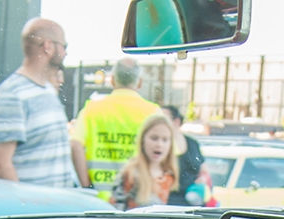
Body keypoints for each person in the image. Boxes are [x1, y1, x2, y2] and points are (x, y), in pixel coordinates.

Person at [0, 18, 78, 187]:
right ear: (48, 46)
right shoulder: (12, 94)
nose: (65, 53)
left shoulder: (47, 90)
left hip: (57, 208)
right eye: (64, 46)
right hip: (37, 210)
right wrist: (28, 206)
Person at [72, 56, 160, 198]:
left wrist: (86, 186)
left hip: (99, 200)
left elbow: (76, 145)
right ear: (140, 83)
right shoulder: (153, 112)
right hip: (138, 200)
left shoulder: (91, 109)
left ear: (112, 80)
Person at [110, 111, 177, 210]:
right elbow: (116, 209)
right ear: (143, 140)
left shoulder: (169, 176)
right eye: (154, 138)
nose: (159, 144)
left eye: (165, 140)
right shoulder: (131, 173)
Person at [163, 104, 207, 204]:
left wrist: (202, 180)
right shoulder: (157, 145)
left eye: (164, 119)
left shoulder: (192, 143)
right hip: (166, 202)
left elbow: (203, 170)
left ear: (177, 121)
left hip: (192, 201)